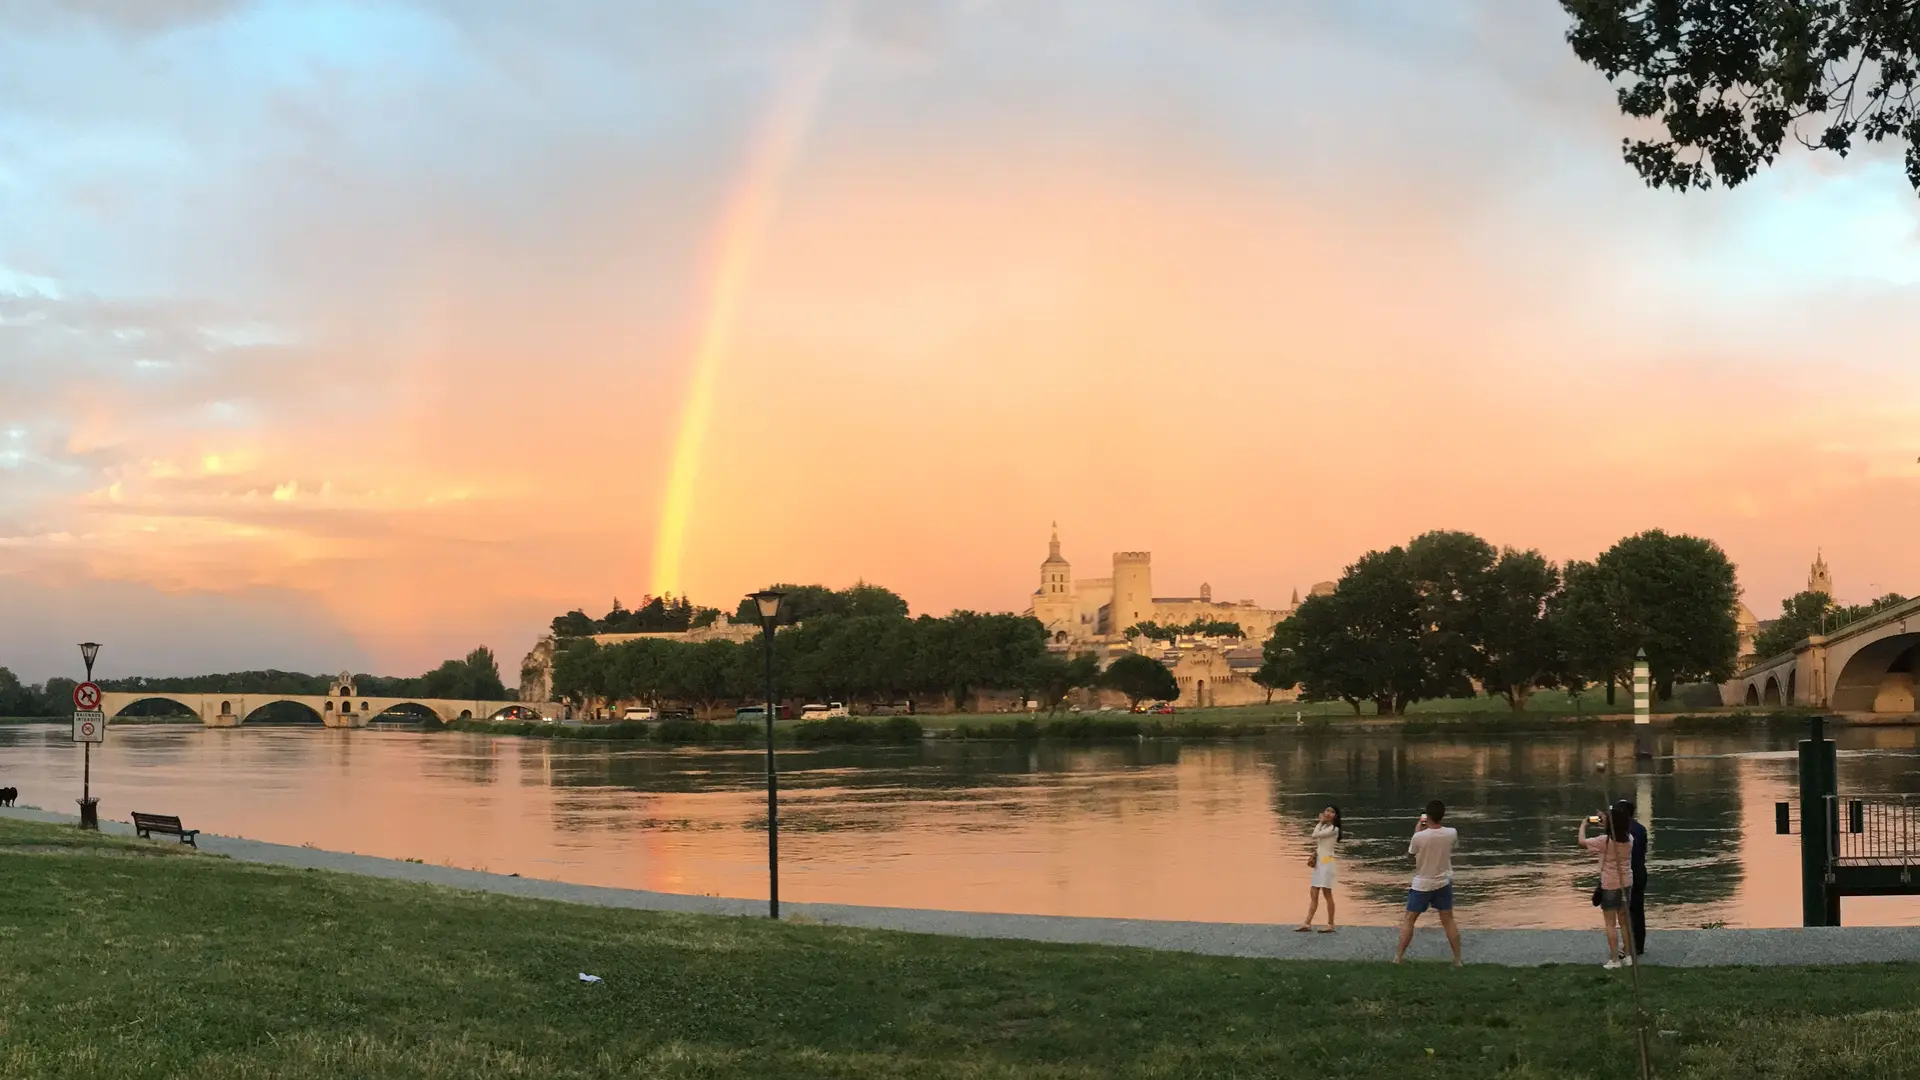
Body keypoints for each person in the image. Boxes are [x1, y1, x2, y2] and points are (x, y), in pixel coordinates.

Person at [1393, 799, 1462, 966]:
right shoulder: (1452, 832)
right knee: (1448, 920)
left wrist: (1417, 832)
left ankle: (1398, 958)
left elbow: (1409, 857)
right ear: (1442, 816)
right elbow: (1453, 846)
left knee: (1409, 919)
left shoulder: (1419, 837)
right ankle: (1458, 960)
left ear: (1427, 816)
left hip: (1422, 884)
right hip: (1443, 882)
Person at [1580, 801, 1635, 969]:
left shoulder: (1604, 841)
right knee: (1624, 922)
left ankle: (1614, 960)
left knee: (1610, 924)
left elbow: (1582, 842)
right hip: (1626, 882)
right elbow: (1615, 831)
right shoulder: (1629, 839)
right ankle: (1627, 956)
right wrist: (1606, 820)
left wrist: (1583, 824)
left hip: (1610, 884)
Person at [1295, 805, 1342, 933]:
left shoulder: (1333, 829)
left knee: (1327, 893)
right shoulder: (1325, 827)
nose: (1328, 813)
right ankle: (1307, 923)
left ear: (1335, 816)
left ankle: (1331, 924)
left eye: (1331, 812)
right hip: (1320, 861)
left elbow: (1314, 835)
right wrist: (1321, 824)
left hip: (1327, 861)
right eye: (1327, 810)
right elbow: (1318, 839)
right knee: (1314, 892)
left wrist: (1320, 822)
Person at [1620, 799, 1649, 957]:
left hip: (1627, 873)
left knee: (1625, 911)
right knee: (1638, 910)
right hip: (1640, 872)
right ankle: (1639, 945)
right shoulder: (1641, 829)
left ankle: (1628, 945)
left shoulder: (1621, 830)